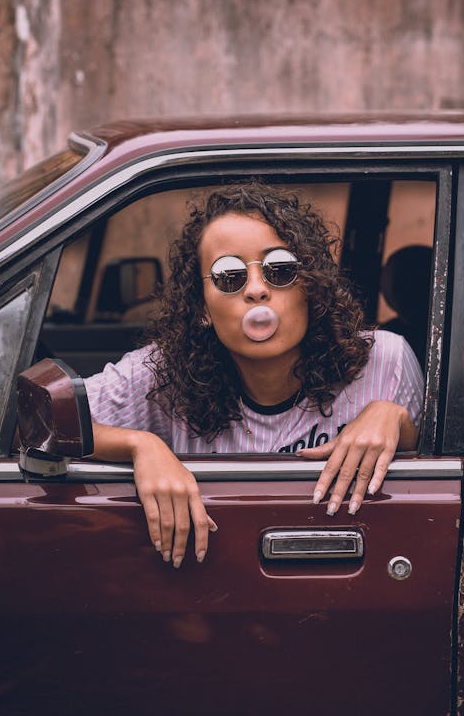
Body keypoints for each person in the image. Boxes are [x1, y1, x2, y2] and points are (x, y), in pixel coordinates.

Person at [85, 181, 423, 568]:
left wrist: (394, 418)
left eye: (280, 270)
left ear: (309, 287)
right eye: (230, 277)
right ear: (203, 309)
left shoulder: (384, 362)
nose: (258, 291)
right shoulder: (162, 374)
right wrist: (139, 445)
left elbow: (442, 461)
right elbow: (37, 423)